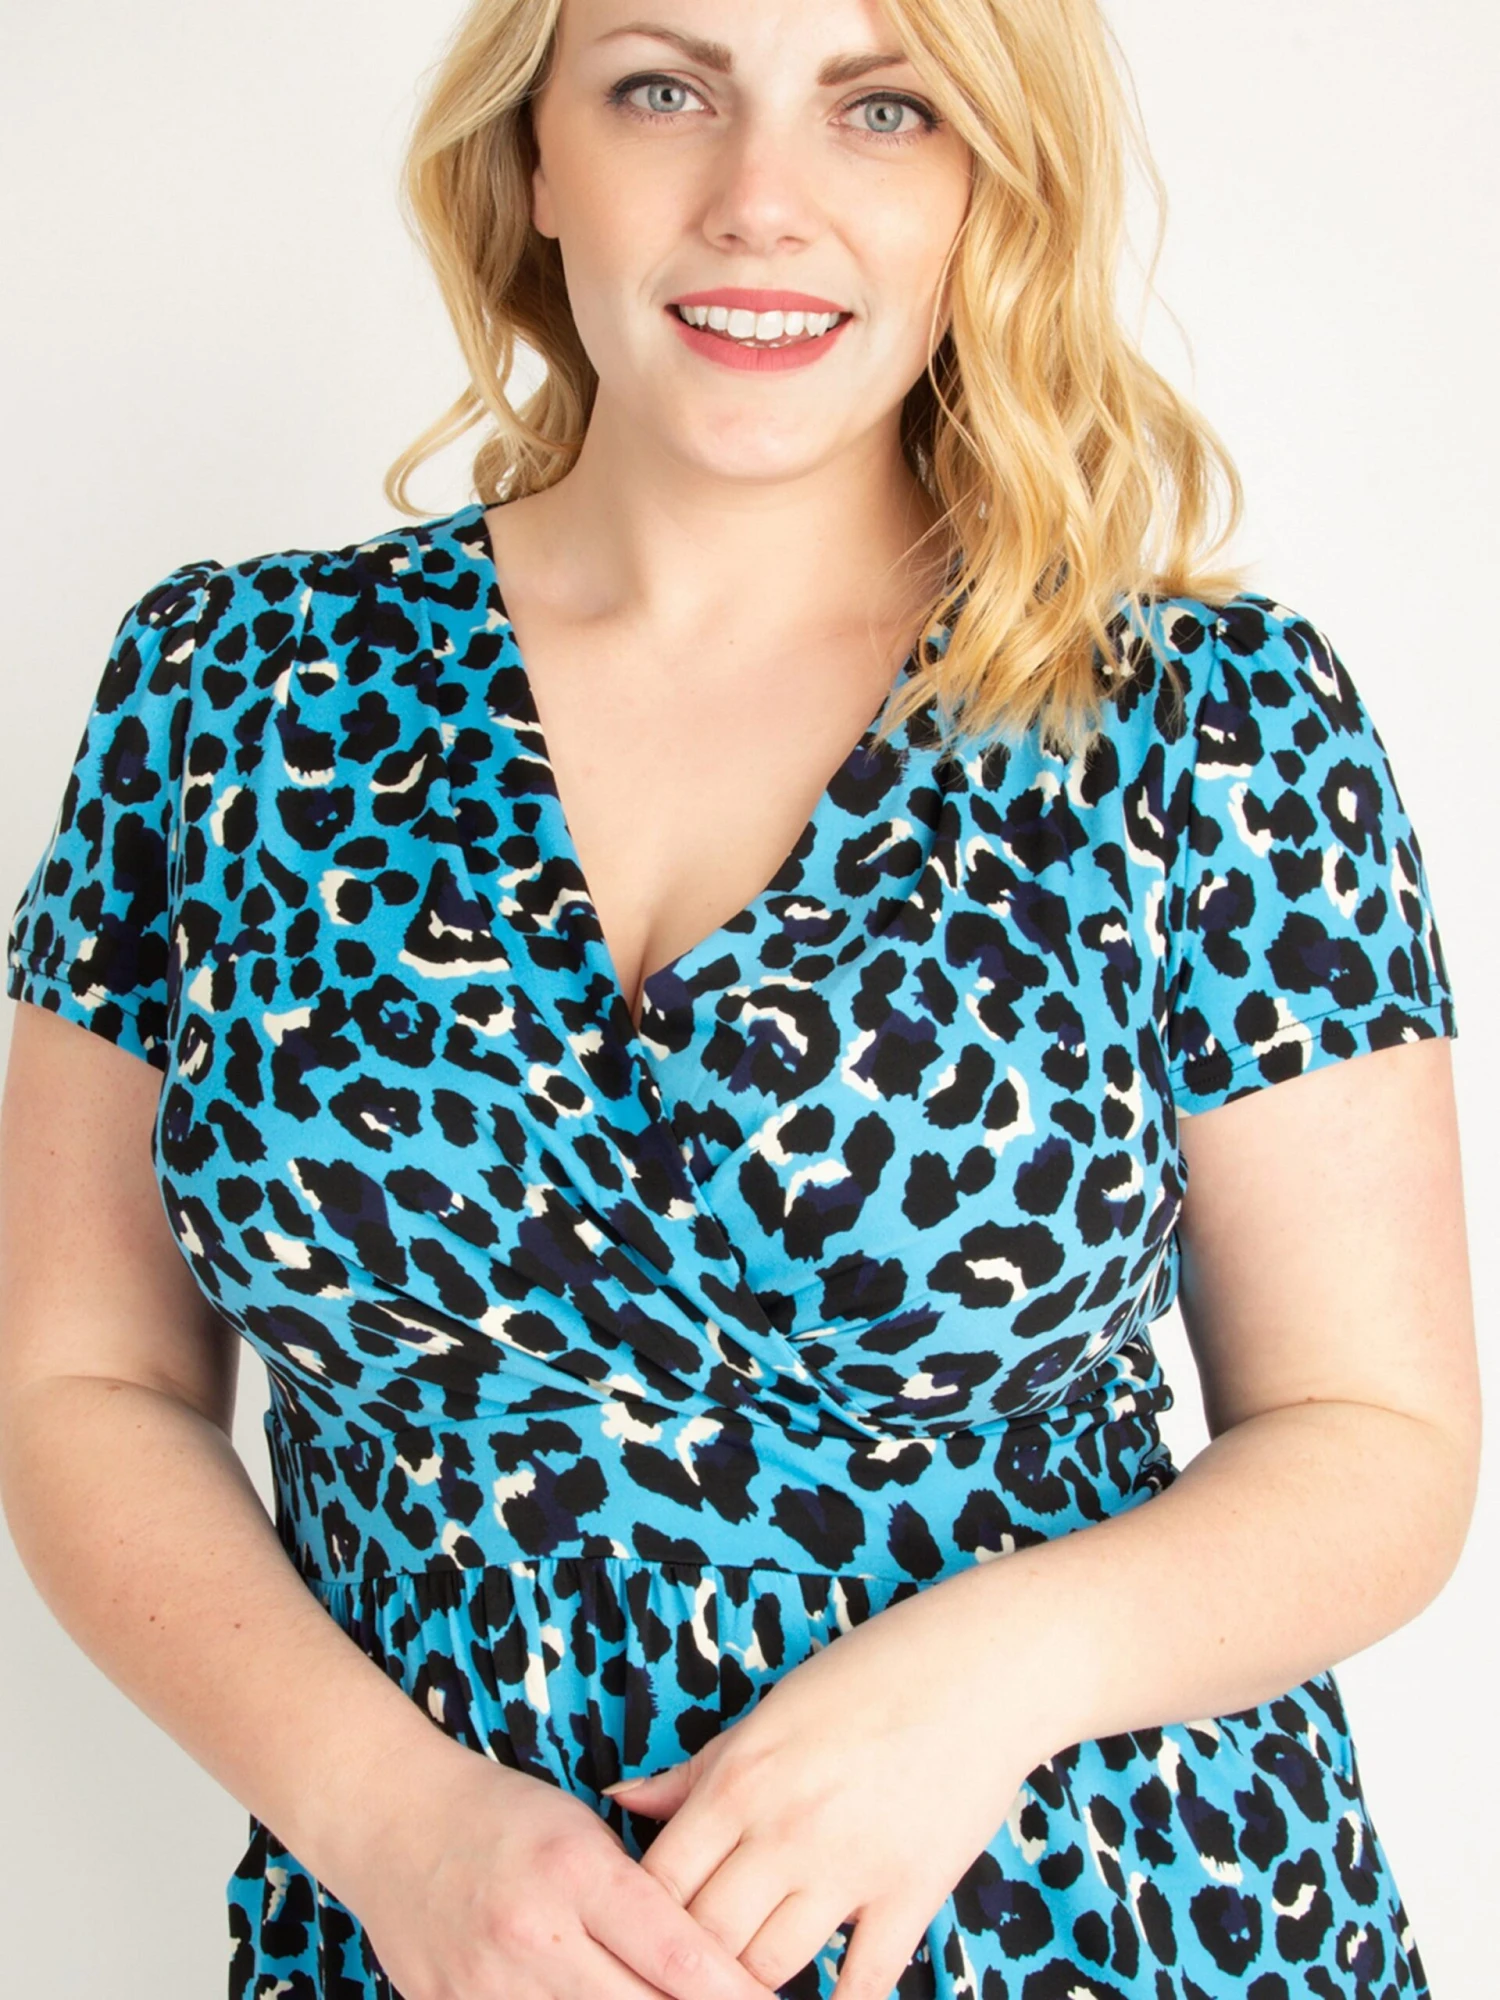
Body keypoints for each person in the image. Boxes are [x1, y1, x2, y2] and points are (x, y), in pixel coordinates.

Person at [0, 0, 1478, 1995]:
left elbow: (1374, 1435)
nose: (761, 200)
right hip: (426, 1945)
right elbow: (86, 1384)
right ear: (536, 153)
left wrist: (983, 1683)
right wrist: (385, 1817)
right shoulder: (226, 694)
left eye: (886, 110)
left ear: (991, 185)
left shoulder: (1207, 722)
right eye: (663, 89)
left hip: (1104, 1925)